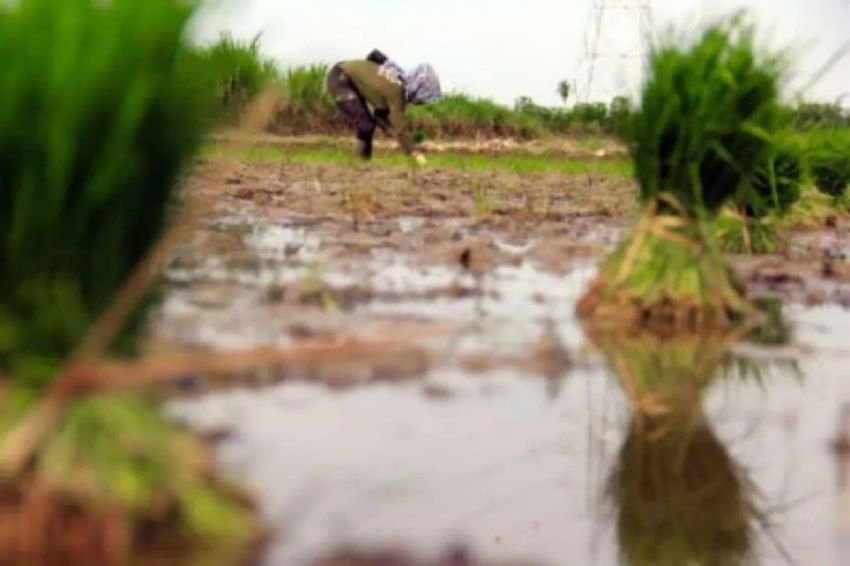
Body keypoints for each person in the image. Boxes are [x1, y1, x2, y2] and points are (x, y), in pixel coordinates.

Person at [326, 49, 442, 166]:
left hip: (345, 75)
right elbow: (400, 127)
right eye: (423, 98)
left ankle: (363, 165)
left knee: (368, 125)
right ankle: (358, 166)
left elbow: (379, 115)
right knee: (365, 125)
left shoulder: (399, 83)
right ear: (418, 90)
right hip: (340, 79)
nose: (422, 103)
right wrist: (415, 153)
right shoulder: (398, 93)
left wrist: (389, 130)